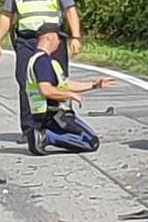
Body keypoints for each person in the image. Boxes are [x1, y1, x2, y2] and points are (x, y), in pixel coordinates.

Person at [0, 0, 83, 140]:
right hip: (27, 40)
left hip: (53, 40)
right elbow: (7, 14)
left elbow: (70, 9)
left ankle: (63, 123)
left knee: (58, 80)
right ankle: (31, 129)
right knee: (27, 83)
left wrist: (76, 36)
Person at [25, 26, 114, 155]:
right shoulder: (43, 61)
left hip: (45, 114)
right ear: (49, 37)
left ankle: (44, 134)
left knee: (88, 138)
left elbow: (64, 84)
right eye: (58, 38)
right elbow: (46, 90)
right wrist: (70, 95)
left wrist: (94, 85)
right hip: (54, 114)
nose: (59, 42)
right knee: (90, 142)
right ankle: (46, 136)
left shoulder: (42, 60)